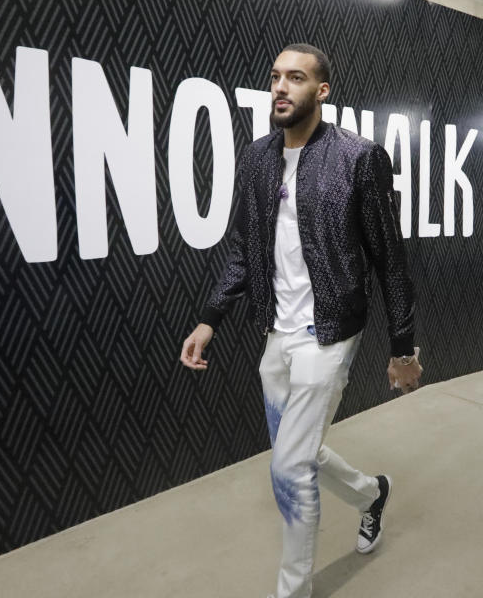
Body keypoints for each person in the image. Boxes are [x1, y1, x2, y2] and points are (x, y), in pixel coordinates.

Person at [179, 43, 422, 598]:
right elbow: (243, 247)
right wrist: (210, 317)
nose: (281, 87)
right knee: (300, 451)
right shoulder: (259, 157)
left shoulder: (358, 158)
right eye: (275, 78)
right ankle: (370, 494)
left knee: (289, 471)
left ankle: (292, 590)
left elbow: (390, 259)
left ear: (322, 91)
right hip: (277, 333)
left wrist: (403, 347)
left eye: (296, 78)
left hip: (330, 332)